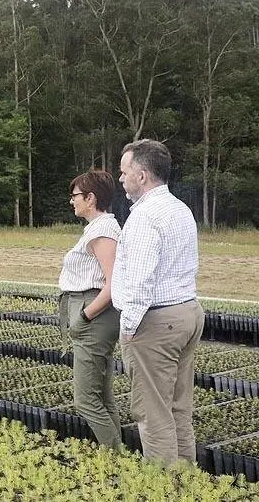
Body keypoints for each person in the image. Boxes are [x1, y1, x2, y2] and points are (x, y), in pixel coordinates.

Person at [112, 139, 204, 467]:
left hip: (156, 322)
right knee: (179, 407)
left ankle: (164, 486)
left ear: (143, 175)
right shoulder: (179, 209)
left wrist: (127, 329)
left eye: (125, 172)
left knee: (153, 412)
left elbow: (140, 282)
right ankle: (186, 480)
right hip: (187, 313)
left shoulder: (145, 218)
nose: (120, 178)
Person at [58, 170, 122, 448]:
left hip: (94, 317)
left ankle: (116, 456)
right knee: (102, 397)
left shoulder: (104, 231)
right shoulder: (98, 228)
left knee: (85, 400)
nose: (72, 201)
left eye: (75, 196)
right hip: (92, 315)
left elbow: (113, 283)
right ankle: (118, 456)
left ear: (90, 198)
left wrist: (85, 315)